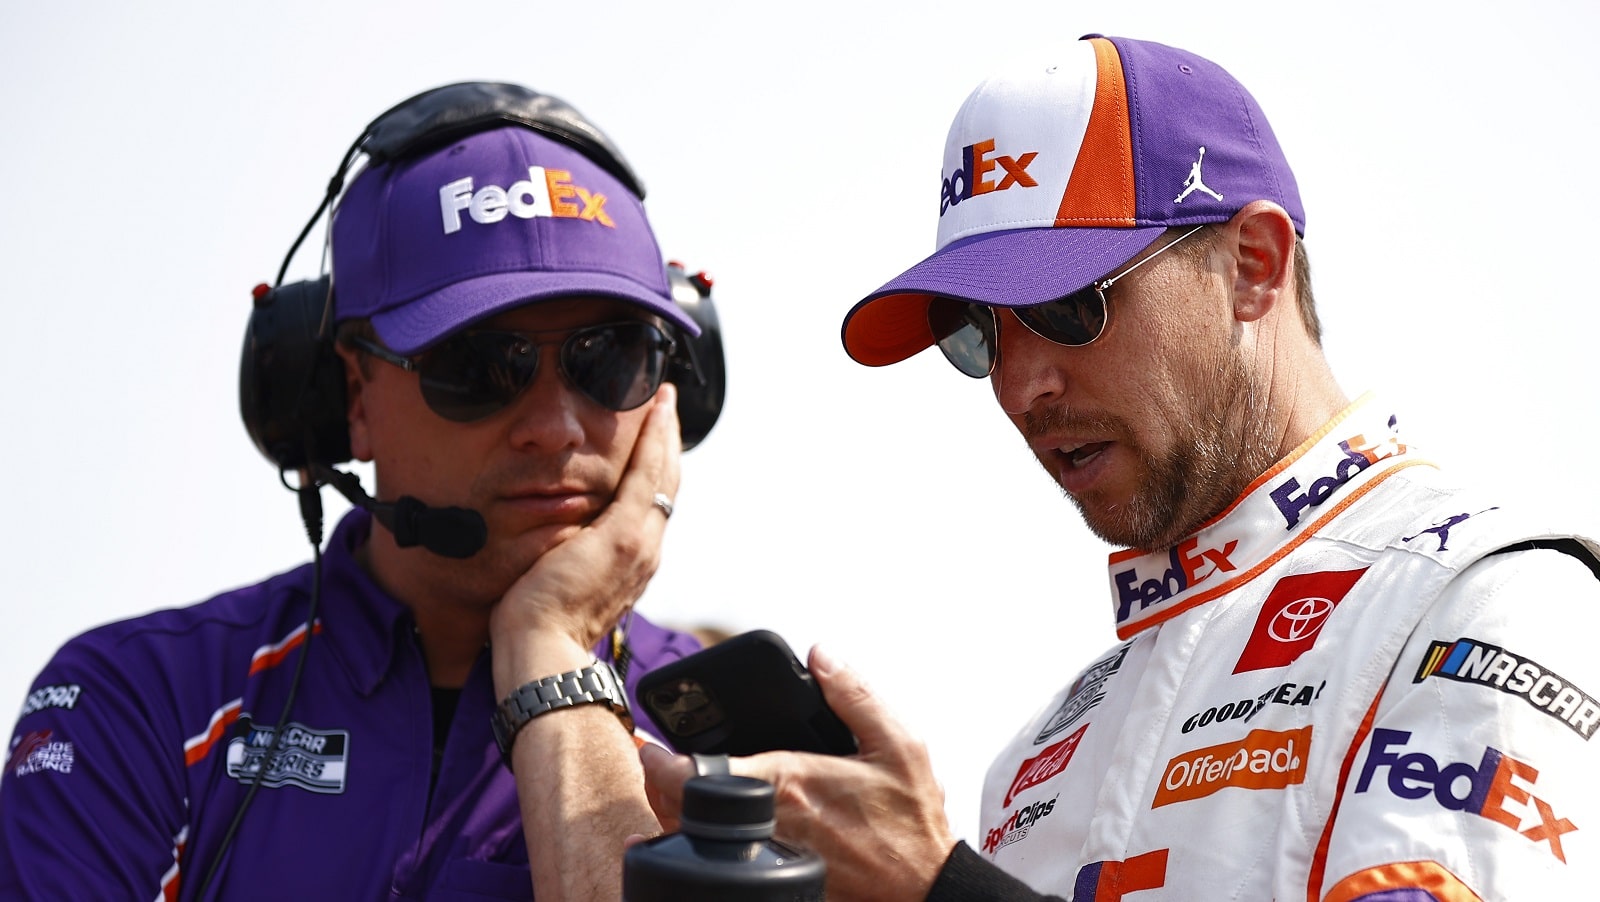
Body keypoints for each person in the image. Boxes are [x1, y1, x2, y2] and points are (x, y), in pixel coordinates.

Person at [640, 33, 1600, 900]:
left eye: (1068, 306)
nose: (1021, 386)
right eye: (981, 335)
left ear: (1254, 265)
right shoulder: (1035, 760)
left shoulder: (1490, 601)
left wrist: (936, 890)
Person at [1, 82, 714, 899]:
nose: (554, 426)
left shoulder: (744, 745)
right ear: (350, 397)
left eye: (609, 357)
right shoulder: (139, 703)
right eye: (481, 366)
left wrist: (552, 646)